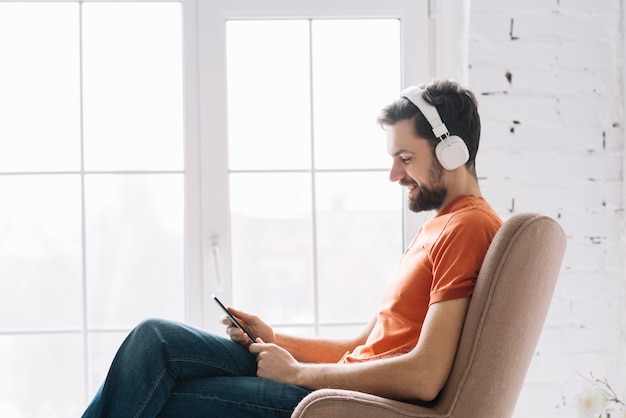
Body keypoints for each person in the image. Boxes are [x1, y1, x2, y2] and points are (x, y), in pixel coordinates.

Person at [82, 79, 502, 418]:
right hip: (343, 383)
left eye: (405, 158)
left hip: (355, 405)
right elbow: (361, 346)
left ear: (452, 152)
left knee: (160, 396)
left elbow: (425, 376)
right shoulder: (440, 223)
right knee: (155, 338)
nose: (394, 174)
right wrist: (274, 339)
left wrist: (299, 373)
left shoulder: (468, 226)